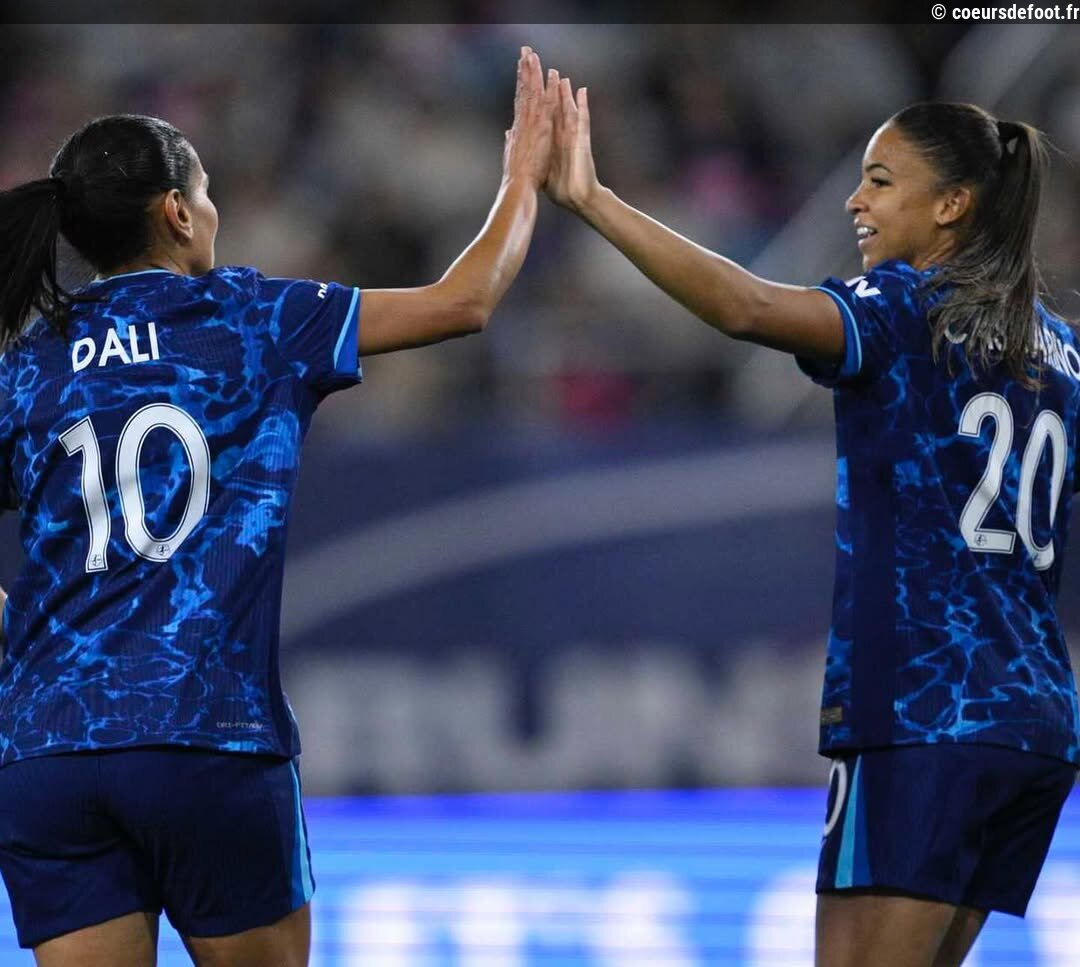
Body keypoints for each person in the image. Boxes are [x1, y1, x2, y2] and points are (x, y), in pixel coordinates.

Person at [0, 47, 557, 967]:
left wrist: (19, 627)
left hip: (46, 749)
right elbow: (465, 302)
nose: (214, 209)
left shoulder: (28, 366)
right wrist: (523, 181)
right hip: (205, 735)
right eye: (205, 190)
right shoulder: (252, 321)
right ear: (177, 211)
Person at [544, 81, 1080, 967]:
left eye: (881, 180)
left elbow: (748, 307)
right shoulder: (1060, 351)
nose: (854, 200)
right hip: (1034, 722)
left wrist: (595, 201)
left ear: (951, 205)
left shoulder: (903, 307)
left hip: (924, 712)